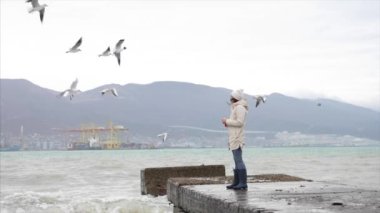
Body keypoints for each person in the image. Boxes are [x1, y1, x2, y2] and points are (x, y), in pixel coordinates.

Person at [222, 89, 249, 190]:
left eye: (231, 97)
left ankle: (242, 183)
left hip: (237, 137)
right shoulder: (236, 107)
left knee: (238, 160)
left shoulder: (240, 108)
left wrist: (227, 121)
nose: (230, 99)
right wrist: (227, 122)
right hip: (233, 136)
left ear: (234, 98)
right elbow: (236, 122)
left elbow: (240, 122)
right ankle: (237, 182)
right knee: (236, 160)